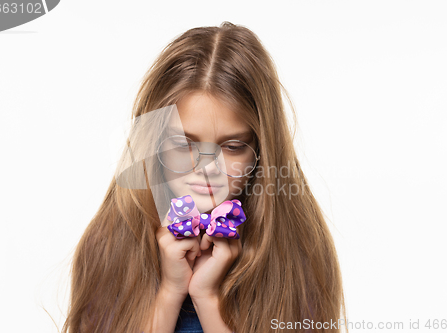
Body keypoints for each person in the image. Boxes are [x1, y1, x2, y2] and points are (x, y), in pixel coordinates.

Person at [61, 21, 346, 333]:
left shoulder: (298, 255)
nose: (207, 167)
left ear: (261, 151)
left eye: (233, 146)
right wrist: (170, 294)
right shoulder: (109, 245)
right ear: (153, 143)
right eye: (184, 144)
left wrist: (207, 299)